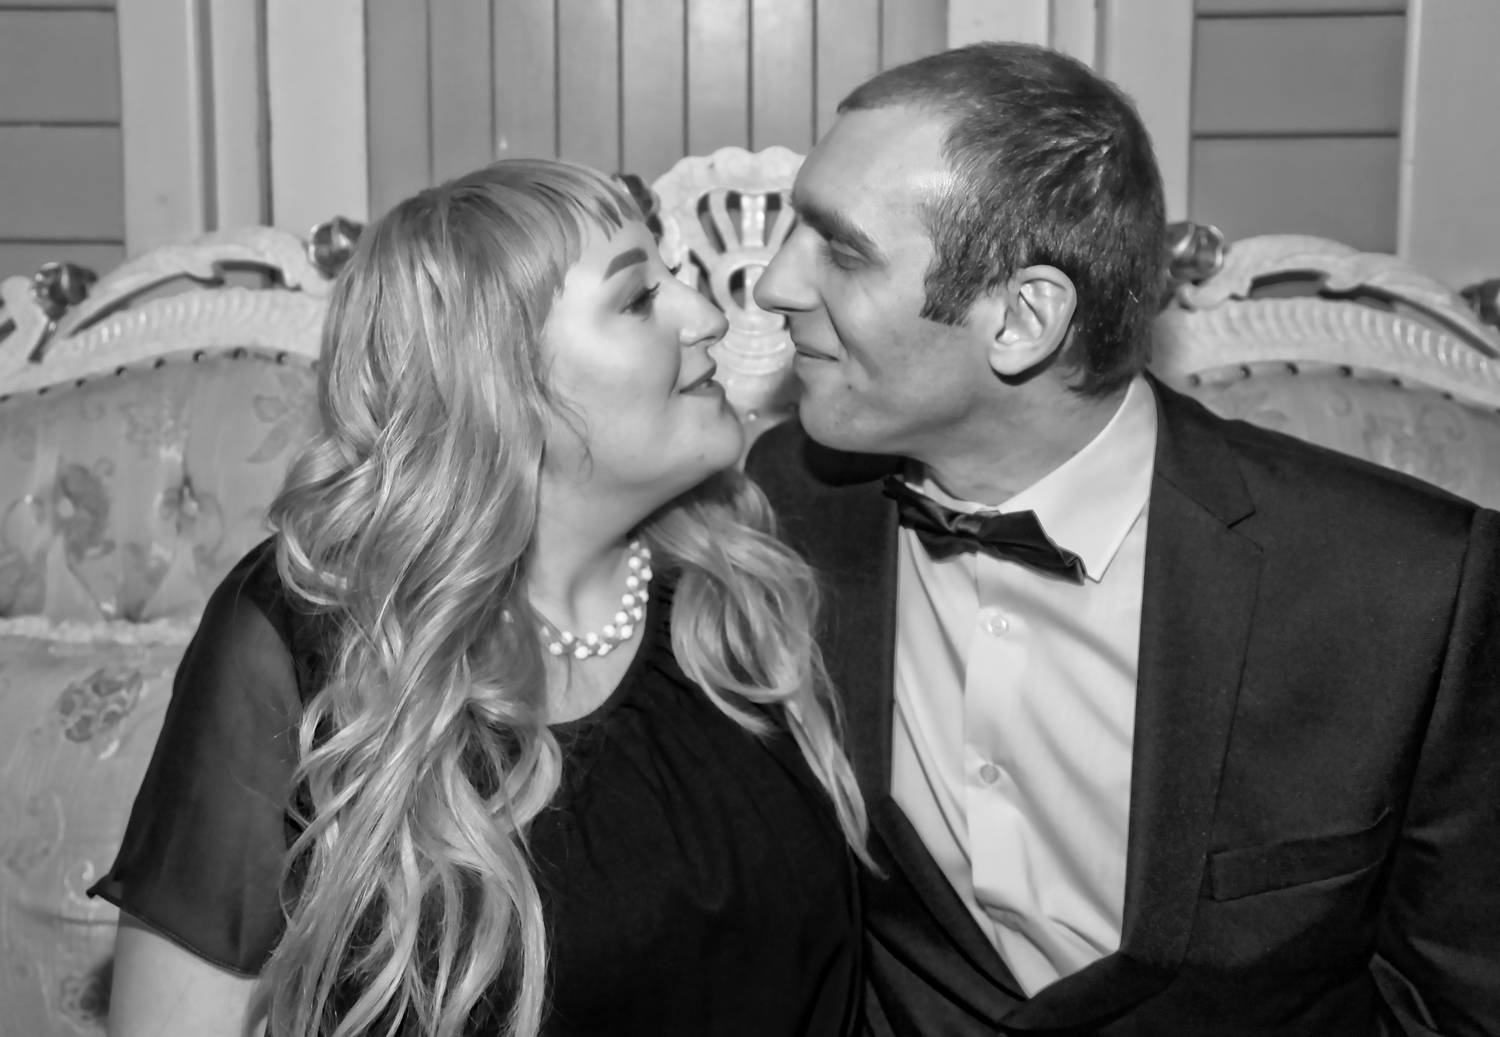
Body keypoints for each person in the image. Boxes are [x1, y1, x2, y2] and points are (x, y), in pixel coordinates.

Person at [747, 41, 1500, 1036]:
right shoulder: (787, 502)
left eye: (840, 250)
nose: (772, 284)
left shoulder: (1409, 590)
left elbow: (1460, 996)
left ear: (1023, 318)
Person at [92, 158, 868, 1037]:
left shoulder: (737, 591)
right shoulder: (312, 627)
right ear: (500, 381)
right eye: (639, 298)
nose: (709, 316)